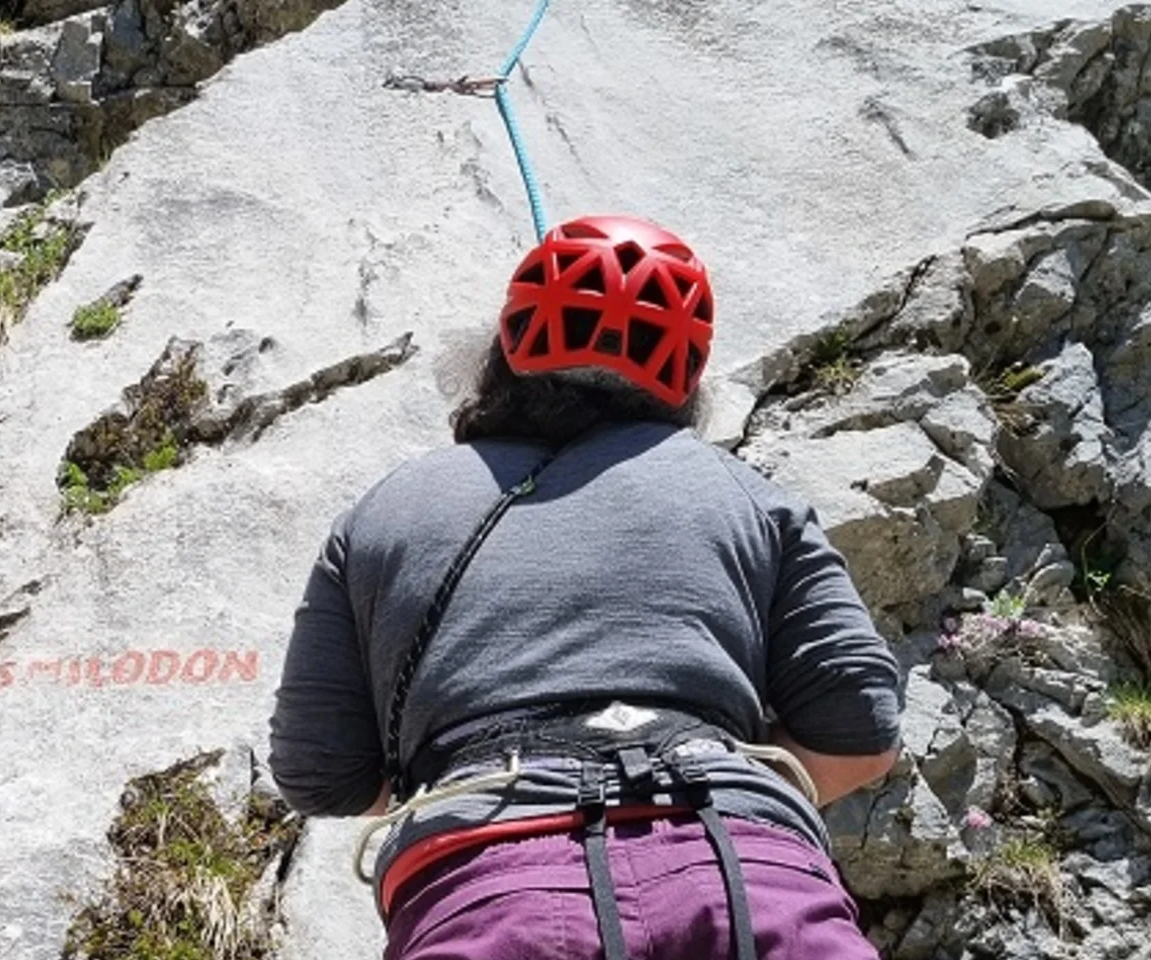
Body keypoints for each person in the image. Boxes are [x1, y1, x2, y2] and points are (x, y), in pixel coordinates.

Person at [266, 215, 904, 960]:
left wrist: (463, 784)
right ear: (686, 379)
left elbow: (317, 771)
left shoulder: (385, 512)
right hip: (744, 873)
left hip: (492, 894)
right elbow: (861, 729)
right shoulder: (751, 498)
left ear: (504, 347)